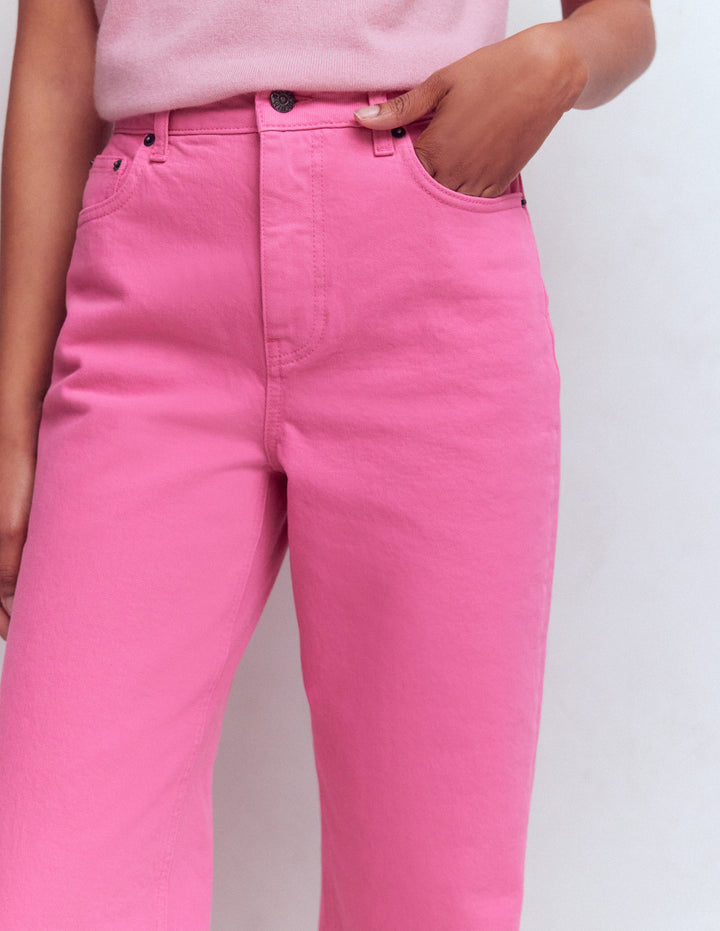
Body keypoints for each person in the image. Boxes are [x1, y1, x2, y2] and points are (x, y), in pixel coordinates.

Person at [0, 0, 655, 928]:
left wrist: (560, 58)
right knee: (53, 879)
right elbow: (58, 60)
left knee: (429, 887)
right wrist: (10, 422)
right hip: (148, 287)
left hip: (427, 278)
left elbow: (622, 20)